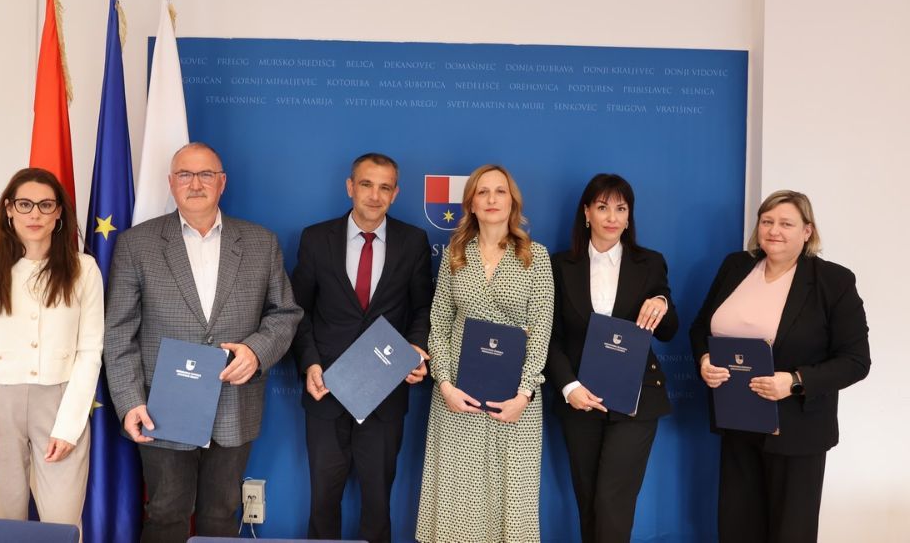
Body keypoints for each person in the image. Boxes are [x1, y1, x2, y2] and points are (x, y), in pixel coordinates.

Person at [103, 142, 303, 542]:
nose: (195, 184)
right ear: (171, 183)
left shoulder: (261, 242)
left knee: (221, 515)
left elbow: (285, 313)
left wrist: (256, 351)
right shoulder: (137, 244)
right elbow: (118, 330)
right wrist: (129, 401)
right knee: (165, 514)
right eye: (185, 175)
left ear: (222, 182)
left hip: (234, 403)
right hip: (161, 407)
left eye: (206, 174)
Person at [689, 190, 870, 543]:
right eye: (767, 221)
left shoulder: (834, 281)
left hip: (796, 430)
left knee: (791, 532)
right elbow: (700, 328)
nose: (774, 231)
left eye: (786, 223)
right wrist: (704, 359)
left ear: (807, 231)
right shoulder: (736, 267)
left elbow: (856, 361)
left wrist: (795, 381)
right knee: (737, 529)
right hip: (737, 424)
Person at [290, 152, 432, 543]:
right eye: (366, 184)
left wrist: (416, 349)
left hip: (385, 391)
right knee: (323, 502)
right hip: (326, 389)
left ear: (395, 193)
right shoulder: (315, 238)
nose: (375, 195)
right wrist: (310, 364)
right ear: (350, 187)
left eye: (385, 187)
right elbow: (297, 312)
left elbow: (422, 308)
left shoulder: (413, 241)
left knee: (377, 504)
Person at [0, 168, 103, 529]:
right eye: (25, 204)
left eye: (45, 205)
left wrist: (68, 427)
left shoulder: (84, 270)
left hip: (60, 402)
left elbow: (89, 352)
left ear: (58, 212)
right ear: (9, 209)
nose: (35, 214)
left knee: (62, 522)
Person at [416, 164, 554, 543]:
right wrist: (444, 384)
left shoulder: (536, 256)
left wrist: (523, 394)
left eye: (500, 191)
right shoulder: (455, 254)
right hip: (457, 399)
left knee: (512, 502)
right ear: (471, 204)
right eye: (483, 192)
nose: (492, 199)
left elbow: (541, 330)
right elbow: (439, 323)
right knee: (458, 503)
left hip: (515, 404)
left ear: (513, 202)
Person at [545, 173, 678, 543]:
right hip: (579, 399)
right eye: (603, 207)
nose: (612, 217)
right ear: (586, 212)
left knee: (612, 501)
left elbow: (668, 331)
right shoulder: (559, 265)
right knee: (588, 501)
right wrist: (568, 387)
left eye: (621, 208)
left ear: (629, 216)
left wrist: (662, 303)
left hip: (636, 398)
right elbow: (549, 338)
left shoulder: (650, 263)